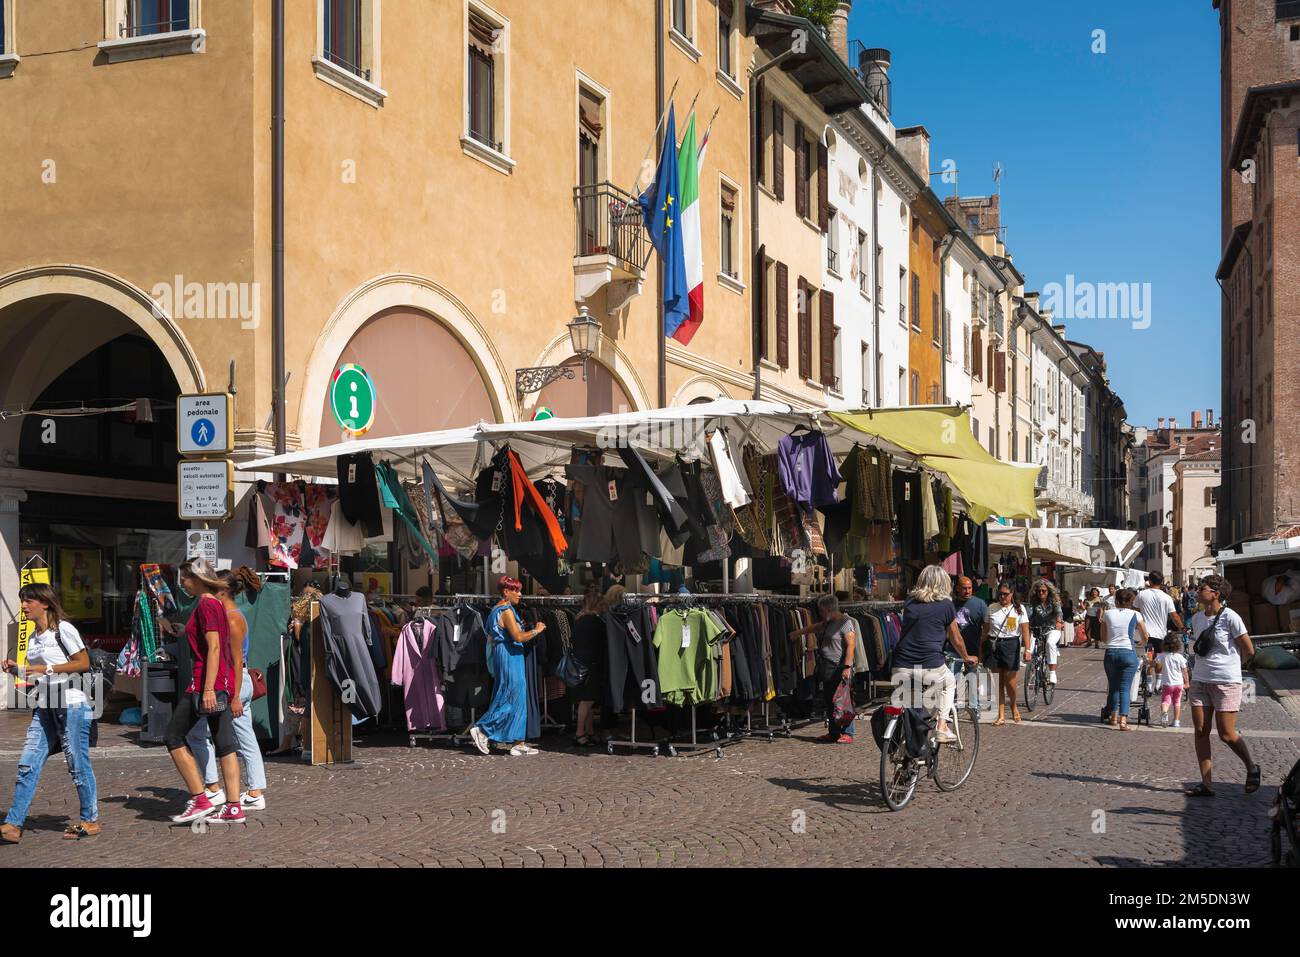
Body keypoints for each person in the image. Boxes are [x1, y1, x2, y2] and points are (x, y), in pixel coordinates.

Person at [1, 584, 99, 843]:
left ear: (44, 603)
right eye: (22, 601)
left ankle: (90, 820)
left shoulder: (63, 630)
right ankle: (13, 824)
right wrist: (16, 670)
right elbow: (40, 675)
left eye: (28, 601)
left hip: (71, 703)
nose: (23, 606)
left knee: (78, 765)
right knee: (27, 764)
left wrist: (45, 668)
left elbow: (83, 663)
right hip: (44, 705)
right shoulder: (34, 637)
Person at [164, 558, 245, 825]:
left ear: (196, 579)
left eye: (185, 579)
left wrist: (208, 688)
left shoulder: (207, 604)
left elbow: (214, 648)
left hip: (204, 683)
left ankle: (200, 798)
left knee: (173, 736)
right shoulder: (213, 604)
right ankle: (233, 806)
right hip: (215, 683)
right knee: (225, 745)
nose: (182, 583)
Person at [187, 568, 268, 812]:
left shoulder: (232, 618)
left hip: (233, 682)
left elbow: (233, 660)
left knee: (201, 733)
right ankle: (252, 790)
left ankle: (215, 788)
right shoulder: (230, 614)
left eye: (212, 587)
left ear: (222, 590)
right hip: (235, 680)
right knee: (243, 737)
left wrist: (233, 696)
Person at [1186, 575, 1260, 797]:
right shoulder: (1197, 618)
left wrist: (1234, 670)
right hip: (1200, 679)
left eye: (1202, 588)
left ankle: (1251, 767)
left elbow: (1249, 650)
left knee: (1226, 734)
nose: (1197, 591)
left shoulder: (1231, 617)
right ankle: (1207, 784)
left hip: (1226, 682)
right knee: (1201, 731)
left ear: (1216, 594)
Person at [893, 566, 977, 742]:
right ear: (944, 583)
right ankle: (942, 726)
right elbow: (957, 639)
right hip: (929, 663)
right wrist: (966, 657)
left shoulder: (909, 602)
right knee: (948, 682)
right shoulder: (946, 605)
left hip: (901, 663)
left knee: (912, 706)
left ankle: (907, 757)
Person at [469, 576, 546, 757]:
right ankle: (483, 729)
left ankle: (519, 742)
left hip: (508, 655)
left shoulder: (500, 610)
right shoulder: (505, 611)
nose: (520, 594)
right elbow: (518, 637)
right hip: (509, 656)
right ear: (506, 591)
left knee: (516, 697)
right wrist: (537, 629)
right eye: (516, 590)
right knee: (510, 695)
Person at [789, 594, 858, 742]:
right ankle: (834, 733)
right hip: (828, 666)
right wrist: (798, 633)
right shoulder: (829, 622)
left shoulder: (845, 622)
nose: (820, 613)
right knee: (830, 700)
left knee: (843, 700)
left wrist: (847, 667)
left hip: (840, 667)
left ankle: (848, 733)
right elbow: (817, 626)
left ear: (828, 609)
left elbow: (851, 645)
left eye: (821, 611)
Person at [1101, 587, 1149, 731]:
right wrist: (1141, 642)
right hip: (1128, 652)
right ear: (1131, 601)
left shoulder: (1107, 614)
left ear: (1116, 601)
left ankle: (1113, 717)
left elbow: (1103, 638)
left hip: (1110, 653)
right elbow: (1145, 635)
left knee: (1113, 687)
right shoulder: (1136, 614)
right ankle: (1123, 720)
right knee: (1125, 688)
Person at [982, 582, 1030, 725]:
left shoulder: (1019, 609)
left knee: (1010, 682)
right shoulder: (991, 608)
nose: (1002, 596)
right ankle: (1001, 715)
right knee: (998, 681)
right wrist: (981, 650)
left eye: (1005, 594)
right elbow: (985, 631)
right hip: (994, 644)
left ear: (1011, 594)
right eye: (1000, 594)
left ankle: (1013, 705)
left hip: (1011, 644)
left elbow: (1025, 630)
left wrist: (1028, 650)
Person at [570, 584, 608, 747]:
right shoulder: (596, 622)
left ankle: (589, 731)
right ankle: (580, 733)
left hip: (581, 664)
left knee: (588, 701)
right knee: (587, 701)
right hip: (591, 665)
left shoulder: (579, 619)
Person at [1134, 571, 1183, 656]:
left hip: (1145, 633)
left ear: (1149, 581)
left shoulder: (1141, 594)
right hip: (1160, 634)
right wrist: (1182, 627)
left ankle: (1147, 667)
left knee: (1149, 657)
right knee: (1159, 659)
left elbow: (1135, 612)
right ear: (1162, 582)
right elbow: (1174, 616)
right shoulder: (1167, 597)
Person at [1026, 580, 1065, 685]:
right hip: (1037, 629)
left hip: (1052, 629)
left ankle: (1052, 672)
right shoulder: (1033, 602)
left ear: (1048, 591)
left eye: (1044, 591)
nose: (1041, 593)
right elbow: (1028, 613)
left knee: (1050, 643)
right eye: (1039, 591)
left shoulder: (1054, 601)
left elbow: (1059, 613)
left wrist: (1058, 621)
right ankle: (1033, 671)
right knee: (1030, 650)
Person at [1151, 634, 1188, 728]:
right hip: (1179, 683)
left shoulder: (1162, 656)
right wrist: (1186, 682)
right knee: (1177, 702)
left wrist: (1148, 663)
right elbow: (1184, 670)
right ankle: (1176, 721)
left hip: (1167, 684)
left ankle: (1164, 712)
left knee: (1165, 701)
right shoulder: (1179, 657)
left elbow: (1153, 664)